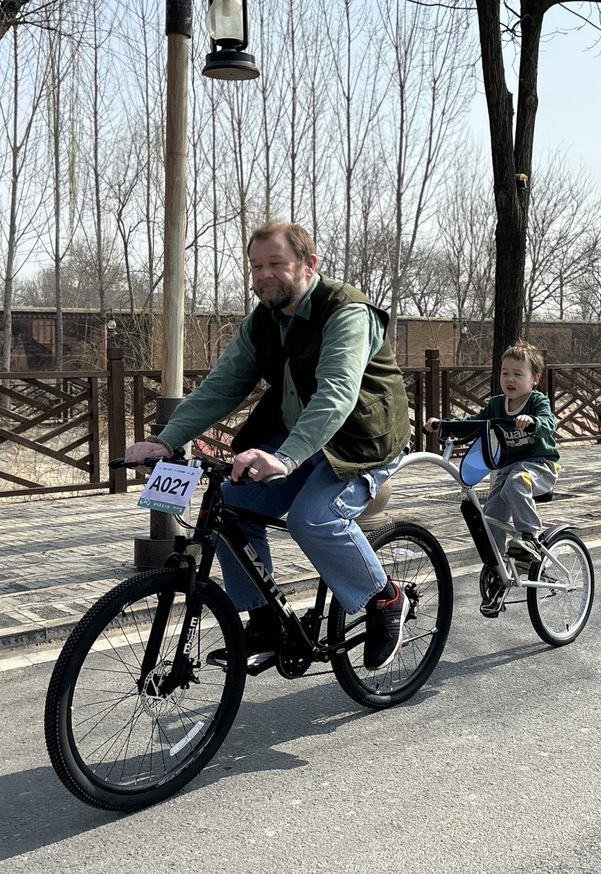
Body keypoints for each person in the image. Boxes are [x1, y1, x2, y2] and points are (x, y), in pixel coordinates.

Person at [124, 220, 412, 672]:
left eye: (276, 264)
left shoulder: (346, 313)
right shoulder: (263, 323)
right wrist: (165, 439)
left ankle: (385, 598)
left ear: (309, 265)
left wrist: (283, 457)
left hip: (361, 437)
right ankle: (266, 620)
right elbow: (220, 387)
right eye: (256, 267)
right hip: (302, 433)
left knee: (313, 518)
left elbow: (336, 393)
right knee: (233, 504)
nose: (263, 276)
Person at [424, 340, 560, 615]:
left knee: (516, 482)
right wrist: (444, 425)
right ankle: (499, 571)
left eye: (517, 374)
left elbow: (549, 422)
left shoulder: (536, 402)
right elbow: (474, 423)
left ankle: (530, 537)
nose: (509, 379)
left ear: (534, 378)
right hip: (507, 471)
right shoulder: (497, 405)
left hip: (540, 466)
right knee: (491, 515)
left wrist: (533, 422)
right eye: (504, 373)